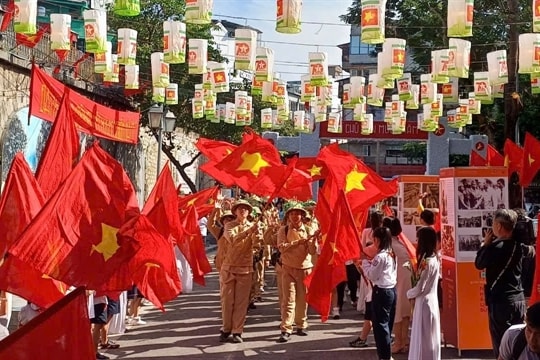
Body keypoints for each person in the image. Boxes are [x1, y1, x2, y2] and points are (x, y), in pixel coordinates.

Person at [475, 209, 536, 357]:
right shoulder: (519, 247)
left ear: (500, 226)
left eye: (494, 223)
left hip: (500, 303)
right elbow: (532, 254)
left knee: (502, 344)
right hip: (518, 300)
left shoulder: (494, 248)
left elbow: (479, 263)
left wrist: (485, 245)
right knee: (519, 341)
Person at [277, 202, 317, 343]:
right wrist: (297, 243)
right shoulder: (284, 230)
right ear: (288, 216)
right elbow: (281, 248)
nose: (295, 216)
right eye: (292, 213)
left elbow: (312, 251)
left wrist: (313, 240)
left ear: (302, 216)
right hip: (287, 268)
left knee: (303, 299)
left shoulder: (308, 229)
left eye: (297, 213)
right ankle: (286, 328)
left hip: (305, 268)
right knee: (288, 300)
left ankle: (301, 325)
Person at [220, 199, 259, 343]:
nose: (242, 211)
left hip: (245, 269)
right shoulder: (229, 225)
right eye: (239, 208)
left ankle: (237, 330)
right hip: (229, 268)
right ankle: (226, 328)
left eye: (245, 209)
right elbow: (232, 239)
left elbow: (257, 245)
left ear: (249, 212)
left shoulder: (253, 226)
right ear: (235, 211)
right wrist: (249, 231)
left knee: (241, 302)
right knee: (227, 301)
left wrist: (258, 234)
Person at [362, 227, 397, 360]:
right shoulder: (391, 253)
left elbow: (372, 275)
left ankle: (384, 356)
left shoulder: (381, 256)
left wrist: (365, 263)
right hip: (391, 290)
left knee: (380, 326)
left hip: (382, 291)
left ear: (378, 240)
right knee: (387, 324)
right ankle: (387, 354)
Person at [407, 226, 441, 360]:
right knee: (430, 338)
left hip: (424, 302)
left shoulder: (427, 262)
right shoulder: (434, 258)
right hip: (431, 300)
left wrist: (408, 293)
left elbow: (420, 287)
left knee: (422, 338)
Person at [383, 217, 411, 355]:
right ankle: (403, 342)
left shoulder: (390, 246)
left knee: (397, 313)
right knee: (404, 313)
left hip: (398, 282)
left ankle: (399, 343)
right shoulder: (400, 244)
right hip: (405, 281)